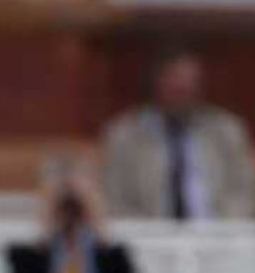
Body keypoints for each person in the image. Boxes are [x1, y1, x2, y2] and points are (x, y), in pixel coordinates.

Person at [102, 47, 254, 219]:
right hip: (147, 236)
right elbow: (114, 201)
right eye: (175, 82)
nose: (184, 90)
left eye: (191, 82)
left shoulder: (227, 130)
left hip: (218, 234)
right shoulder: (124, 135)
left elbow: (245, 193)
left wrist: (222, 228)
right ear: (156, 83)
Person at [7, 159, 143, 273]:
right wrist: (47, 228)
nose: (70, 215)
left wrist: (97, 225)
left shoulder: (110, 254)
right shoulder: (28, 257)